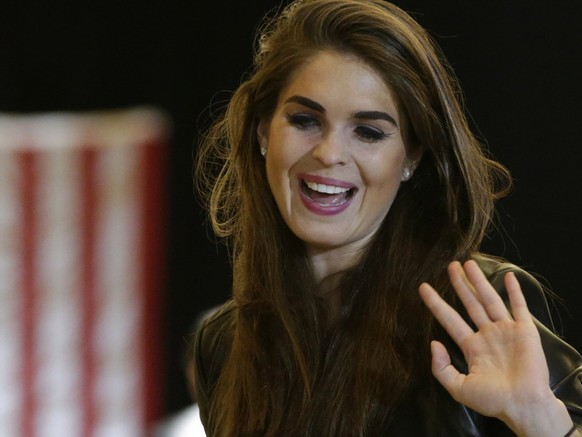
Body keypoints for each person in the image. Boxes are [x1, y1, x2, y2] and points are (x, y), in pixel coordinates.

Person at [192, 0, 582, 435]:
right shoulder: (223, 343)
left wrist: (538, 418)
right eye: (305, 120)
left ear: (411, 157)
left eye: (369, 132)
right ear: (264, 130)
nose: (329, 153)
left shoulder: (475, 309)